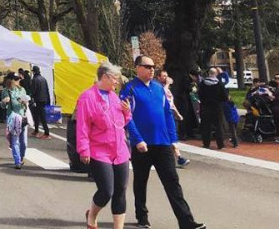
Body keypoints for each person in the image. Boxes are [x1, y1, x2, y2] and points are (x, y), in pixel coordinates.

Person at [121, 55, 205, 229]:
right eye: (147, 66)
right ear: (137, 67)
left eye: (153, 66)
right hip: (142, 145)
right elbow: (127, 117)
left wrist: (173, 139)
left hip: (163, 143)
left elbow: (168, 114)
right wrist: (137, 139)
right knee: (141, 182)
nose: (152, 69)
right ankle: (142, 217)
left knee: (173, 182)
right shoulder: (129, 89)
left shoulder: (159, 88)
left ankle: (186, 221)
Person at [78, 63, 132, 229]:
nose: (117, 82)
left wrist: (127, 111)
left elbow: (124, 122)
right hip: (100, 151)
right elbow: (83, 126)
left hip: (120, 150)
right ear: (105, 77)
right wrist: (84, 149)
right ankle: (92, 215)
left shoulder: (115, 97)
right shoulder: (87, 97)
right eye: (115, 78)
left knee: (120, 191)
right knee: (106, 191)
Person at [154, 69, 190, 167]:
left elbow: (170, 102)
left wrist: (177, 113)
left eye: (167, 75)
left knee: (172, 135)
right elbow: (160, 94)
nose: (166, 78)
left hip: (168, 114)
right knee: (162, 136)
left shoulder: (167, 89)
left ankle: (179, 157)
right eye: (164, 76)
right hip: (159, 115)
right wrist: (167, 84)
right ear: (158, 77)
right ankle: (160, 157)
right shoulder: (156, 86)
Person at [1, 73, 30, 169]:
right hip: (13, 118)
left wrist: (25, 102)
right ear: (10, 80)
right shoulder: (6, 91)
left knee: (24, 142)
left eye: (18, 79)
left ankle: (21, 157)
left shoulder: (22, 90)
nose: (18, 81)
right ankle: (17, 161)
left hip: (23, 117)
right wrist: (4, 102)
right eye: (16, 79)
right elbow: (3, 106)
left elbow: (26, 105)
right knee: (15, 140)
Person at [197, 67, 228, 150]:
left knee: (206, 126)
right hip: (217, 107)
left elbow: (199, 94)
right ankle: (220, 144)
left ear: (209, 74)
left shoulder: (203, 83)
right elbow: (225, 97)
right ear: (216, 74)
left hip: (206, 107)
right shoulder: (219, 84)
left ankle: (206, 143)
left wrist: (204, 101)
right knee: (218, 126)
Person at [29, 66, 51, 139]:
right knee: (39, 116)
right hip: (43, 99)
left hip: (37, 100)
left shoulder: (35, 79)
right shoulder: (43, 79)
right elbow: (47, 90)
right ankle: (36, 130)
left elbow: (33, 91)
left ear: (34, 72)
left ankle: (46, 133)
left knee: (39, 116)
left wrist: (31, 97)